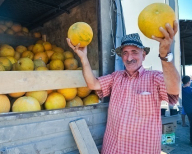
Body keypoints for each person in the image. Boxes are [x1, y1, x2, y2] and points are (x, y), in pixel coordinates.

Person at [67, 21, 180, 154]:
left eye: (134, 52)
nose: (129, 57)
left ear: (143, 55)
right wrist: (83, 57)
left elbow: (174, 90)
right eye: (125, 53)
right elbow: (93, 84)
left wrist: (165, 56)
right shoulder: (116, 77)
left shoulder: (154, 77)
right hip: (112, 149)